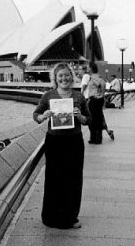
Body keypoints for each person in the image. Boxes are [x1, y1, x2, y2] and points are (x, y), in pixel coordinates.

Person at [33, 62, 90, 229]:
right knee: (54, 179)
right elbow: (35, 114)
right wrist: (43, 116)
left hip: (74, 142)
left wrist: (80, 117)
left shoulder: (79, 97)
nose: (64, 78)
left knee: (73, 179)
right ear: (55, 79)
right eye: (60, 76)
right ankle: (51, 216)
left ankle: (70, 217)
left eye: (66, 75)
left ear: (71, 77)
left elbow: (89, 119)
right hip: (54, 142)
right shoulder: (48, 96)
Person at [87, 62, 114, 144]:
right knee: (98, 119)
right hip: (100, 99)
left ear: (91, 69)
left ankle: (94, 138)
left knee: (92, 119)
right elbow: (103, 87)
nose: (87, 69)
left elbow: (98, 84)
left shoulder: (93, 78)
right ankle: (98, 138)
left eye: (88, 67)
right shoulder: (100, 77)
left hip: (94, 100)